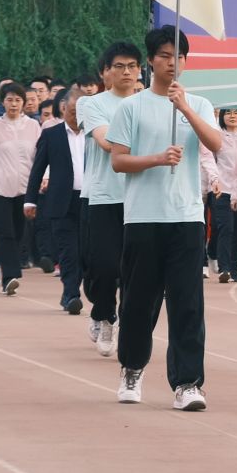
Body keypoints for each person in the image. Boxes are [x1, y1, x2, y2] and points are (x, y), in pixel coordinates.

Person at [105, 27, 222, 409]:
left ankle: (187, 383)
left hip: (186, 217)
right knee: (139, 302)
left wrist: (185, 109)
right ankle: (132, 367)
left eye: (179, 57)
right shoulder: (132, 107)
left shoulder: (198, 104)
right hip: (143, 218)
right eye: (166, 56)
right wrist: (156, 158)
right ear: (151, 61)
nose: (173, 63)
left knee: (188, 304)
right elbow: (118, 160)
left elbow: (216, 143)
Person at [78, 43, 143, 353]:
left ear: (140, 70)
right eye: (119, 66)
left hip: (140, 197)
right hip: (103, 196)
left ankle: (121, 324)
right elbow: (106, 143)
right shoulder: (92, 104)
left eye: (132, 66)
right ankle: (104, 314)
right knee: (103, 267)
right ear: (106, 71)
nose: (126, 71)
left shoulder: (148, 103)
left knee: (133, 269)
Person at [0, 82, 41, 295]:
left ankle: (2, 265)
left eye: (18, 100)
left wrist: (44, 178)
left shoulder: (33, 126)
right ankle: (10, 276)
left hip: (24, 188)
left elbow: (40, 157)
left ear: (24, 103)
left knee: (20, 232)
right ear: (2, 102)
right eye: (9, 100)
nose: (13, 104)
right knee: (4, 232)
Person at [26, 89, 86, 313]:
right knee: (69, 251)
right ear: (63, 108)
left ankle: (78, 289)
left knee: (87, 252)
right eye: (73, 111)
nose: (77, 117)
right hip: (62, 202)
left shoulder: (96, 134)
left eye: (82, 112)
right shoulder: (51, 135)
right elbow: (37, 168)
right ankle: (71, 294)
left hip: (91, 201)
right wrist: (30, 200)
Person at [205, 108, 237, 284]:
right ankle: (224, 268)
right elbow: (209, 160)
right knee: (225, 228)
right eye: (228, 113)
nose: (232, 116)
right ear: (222, 116)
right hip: (221, 189)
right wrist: (212, 183)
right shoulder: (216, 135)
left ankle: (234, 269)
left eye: (236, 113)